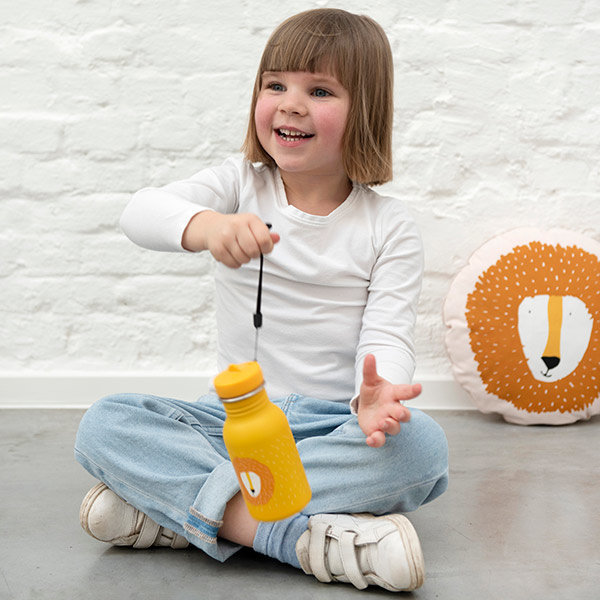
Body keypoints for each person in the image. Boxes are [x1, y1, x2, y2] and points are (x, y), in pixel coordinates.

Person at [75, 8, 449, 593]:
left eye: (319, 90)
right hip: (232, 422)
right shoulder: (239, 183)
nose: (290, 104)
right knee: (104, 423)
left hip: (330, 428)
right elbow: (139, 212)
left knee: (422, 448)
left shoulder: (389, 225)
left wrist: (376, 395)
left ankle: (178, 512)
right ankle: (301, 540)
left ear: (365, 111)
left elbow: (387, 334)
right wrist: (206, 227)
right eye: (275, 85)